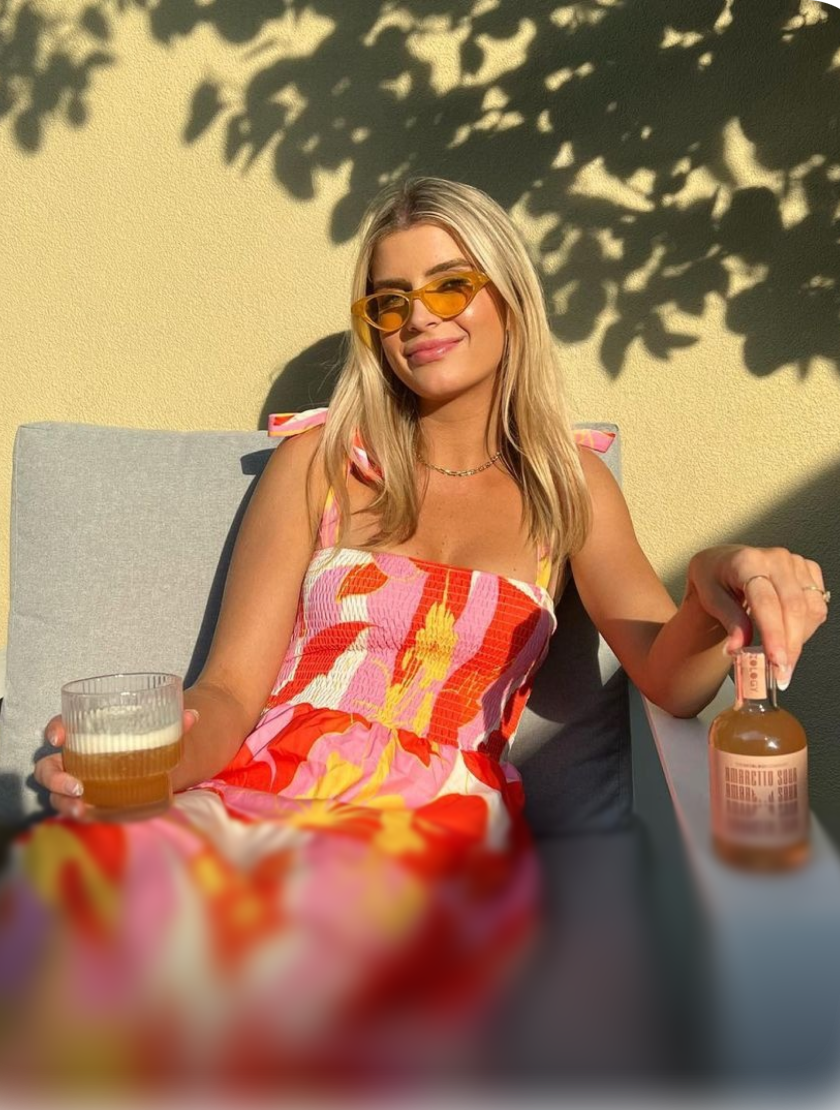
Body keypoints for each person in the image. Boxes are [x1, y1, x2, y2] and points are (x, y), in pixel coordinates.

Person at [1, 177, 829, 1109]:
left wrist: (716, 585)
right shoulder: (319, 462)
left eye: (449, 285)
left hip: (432, 825)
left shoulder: (569, 483)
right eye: (389, 301)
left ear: (508, 296)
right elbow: (228, 693)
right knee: (86, 897)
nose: (418, 318)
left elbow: (669, 677)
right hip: (264, 793)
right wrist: (155, 757)